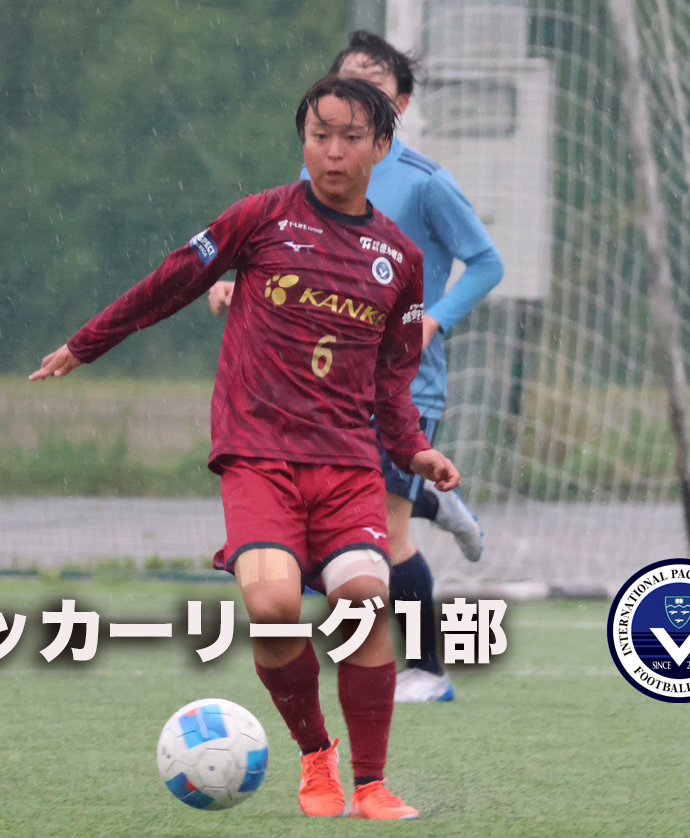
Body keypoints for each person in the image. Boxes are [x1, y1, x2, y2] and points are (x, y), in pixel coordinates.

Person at [30, 75, 459, 820]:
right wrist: (87, 343)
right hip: (258, 457)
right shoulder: (260, 218)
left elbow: (393, 380)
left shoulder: (399, 256)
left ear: (381, 147)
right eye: (318, 136)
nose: (332, 151)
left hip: (348, 464)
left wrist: (414, 449)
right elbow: (171, 281)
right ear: (303, 142)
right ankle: (317, 755)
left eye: (350, 138)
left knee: (365, 600)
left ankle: (371, 785)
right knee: (273, 605)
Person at [209, 30, 505, 704]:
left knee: (387, 535)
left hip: (404, 384)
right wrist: (237, 285)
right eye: (345, 84)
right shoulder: (318, 176)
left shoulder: (427, 182)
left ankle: (427, 670)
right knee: (331, 541)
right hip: (328, 390)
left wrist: (432, 319)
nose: (353, 101)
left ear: (399, 105)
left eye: (373, 87)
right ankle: (430, 501)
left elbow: (486, 262)